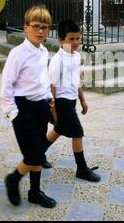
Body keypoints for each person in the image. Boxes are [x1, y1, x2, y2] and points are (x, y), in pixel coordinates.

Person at [0, 5, 56, 208]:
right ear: (25, 27)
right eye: (36, 26)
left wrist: (49, 97)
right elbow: (6, 85)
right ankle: (13, 179)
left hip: (41, 107)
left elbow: (42, 78)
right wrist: (12, 113)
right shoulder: (17, 54)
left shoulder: (43, 51)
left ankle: (34, 192)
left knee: (39, 150)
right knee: (34, 154)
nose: (41, 31)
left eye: (45, 27)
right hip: (23, 109)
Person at [43, 19, 101, 182]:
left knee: (59, 130)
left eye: (78, 38)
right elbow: (51, 87)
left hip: (71, 101)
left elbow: (76, 81)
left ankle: (38, 154)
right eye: (71, 39)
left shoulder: (75, 56)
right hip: (60, 102)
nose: (76, 42)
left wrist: (82, 100)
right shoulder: (57, 60)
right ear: (61, 40)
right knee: (77, 133)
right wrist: (53, 110)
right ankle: (82, 169)